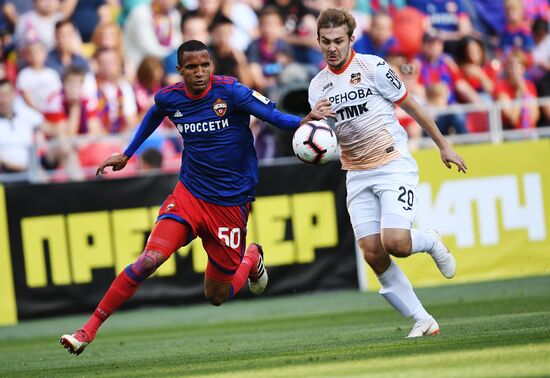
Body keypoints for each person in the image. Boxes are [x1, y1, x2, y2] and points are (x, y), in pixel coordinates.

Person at [59, 39, 333, 355]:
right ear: (180, 70)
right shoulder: (170, 97)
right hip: (189, 195)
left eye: (204, 65)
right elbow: (153, 115)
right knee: (148, 260)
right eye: (192, 67)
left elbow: (272, 116)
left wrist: (301, 121)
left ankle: (251, 257)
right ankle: (87, 330)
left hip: (230, 204)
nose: (199, 72)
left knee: (217, 295)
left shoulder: (232, 91)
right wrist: (127, 153)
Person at [309, 8, 467, 338]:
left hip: (392, 163)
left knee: (395, 242)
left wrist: (443, 145)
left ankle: (431, 241)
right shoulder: (318, 86)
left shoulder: (374, 67)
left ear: (352, 38)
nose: (333, 48)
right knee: (373, 252)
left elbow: (412, 105)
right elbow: (317, 139)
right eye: (326, 42)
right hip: (356, 172)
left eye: (339, 40)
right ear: (319, 41)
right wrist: (312, 119)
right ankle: (422, 319)